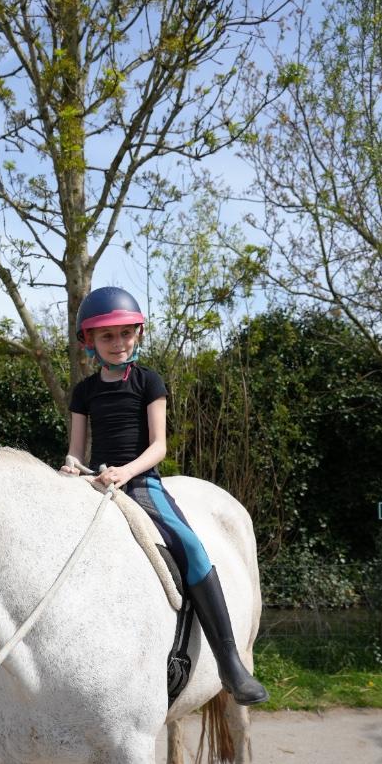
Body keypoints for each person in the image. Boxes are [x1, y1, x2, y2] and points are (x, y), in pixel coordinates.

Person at [60, 286, 268, 705]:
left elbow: (159, 447)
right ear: (90, 343)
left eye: (125, 334)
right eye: (107, 337)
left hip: (140, 482)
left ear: (137, 334)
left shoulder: (148, 382)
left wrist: (126, 472)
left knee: (190, 546)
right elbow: (76, 447)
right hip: (94, 482)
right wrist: (69, 465)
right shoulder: (84, 392)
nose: (118, 344)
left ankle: (230, 662)